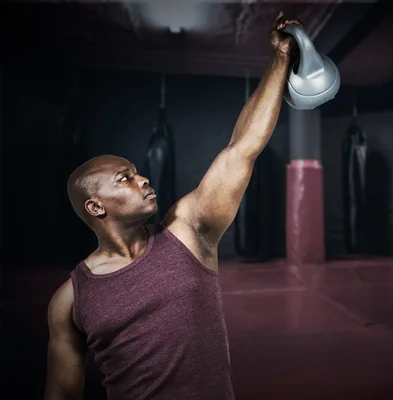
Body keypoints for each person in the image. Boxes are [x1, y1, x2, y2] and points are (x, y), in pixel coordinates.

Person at [44, 12, 301, 400]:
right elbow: (62, 392)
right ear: (96, 208)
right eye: (125, 178)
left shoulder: (187, 231)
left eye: (138, 172)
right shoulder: (71, 299)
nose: (143, 179)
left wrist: (280, 58)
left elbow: (240, 150)